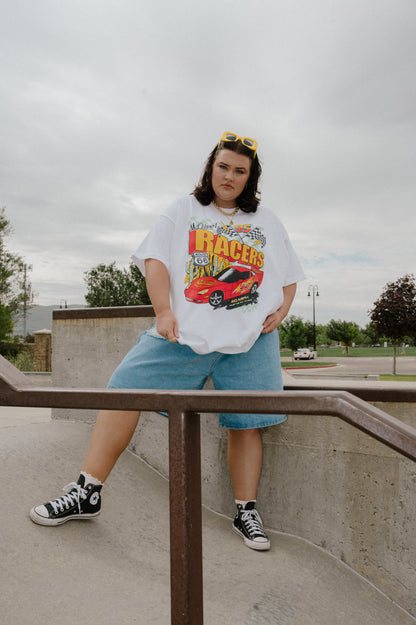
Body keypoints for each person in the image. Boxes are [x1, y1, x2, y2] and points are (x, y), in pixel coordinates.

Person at [30, 131, 305, 551]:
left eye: (240, 171)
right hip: (182, 336)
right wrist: (163, 311)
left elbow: (288, 278)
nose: (229, 176)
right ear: (211, 167)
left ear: (251, 178)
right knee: (122, 391)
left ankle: (246, 512)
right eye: (223, 167)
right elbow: (155, 259)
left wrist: (282, 311)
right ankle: (88, 492)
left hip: (250, 343)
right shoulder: (183, 209)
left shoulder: (267, 221)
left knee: (247, 426)